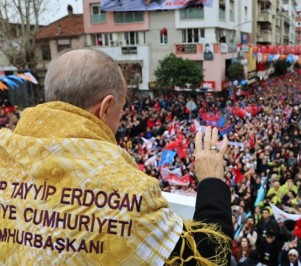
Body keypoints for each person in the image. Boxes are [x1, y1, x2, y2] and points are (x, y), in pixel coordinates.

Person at [0, 48, 233, 265]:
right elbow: (209, 257)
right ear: (105, 107)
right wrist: (211, 180)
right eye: (121, 111)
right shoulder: (130, 193)